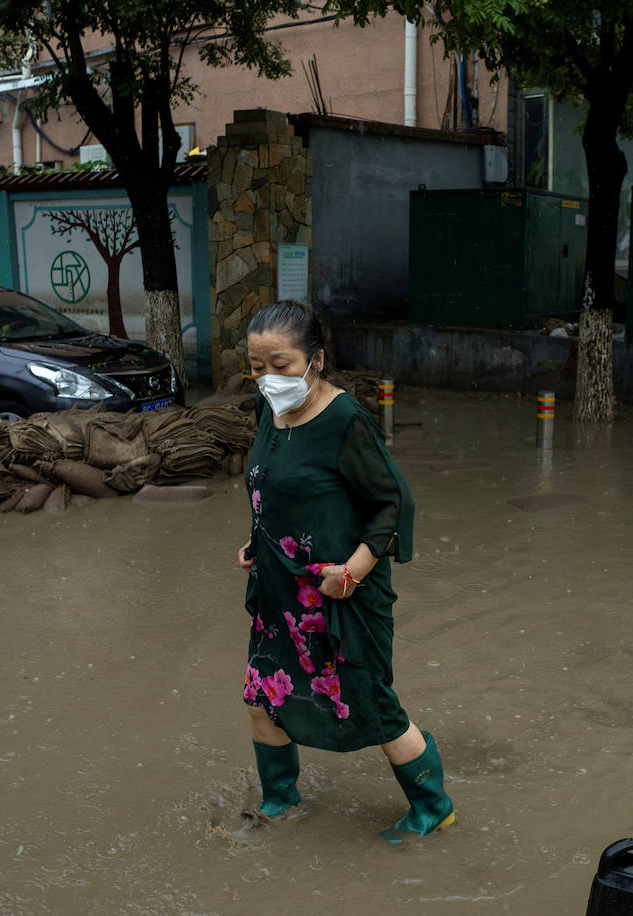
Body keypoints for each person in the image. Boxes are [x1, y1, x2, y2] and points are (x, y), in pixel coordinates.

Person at [237, 300, 454, 844]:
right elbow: (275, 487)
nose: (267, 378)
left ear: (316, 359)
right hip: (280, 594)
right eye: (256, 366)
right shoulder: (269, 409)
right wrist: (256, 541)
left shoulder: (344, 419)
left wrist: (351, 573)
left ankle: (434, 807)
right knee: (263, 698)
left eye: (280, 364)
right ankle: (280, 800)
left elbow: (392, 505)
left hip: (342, 596)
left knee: (374, 706)